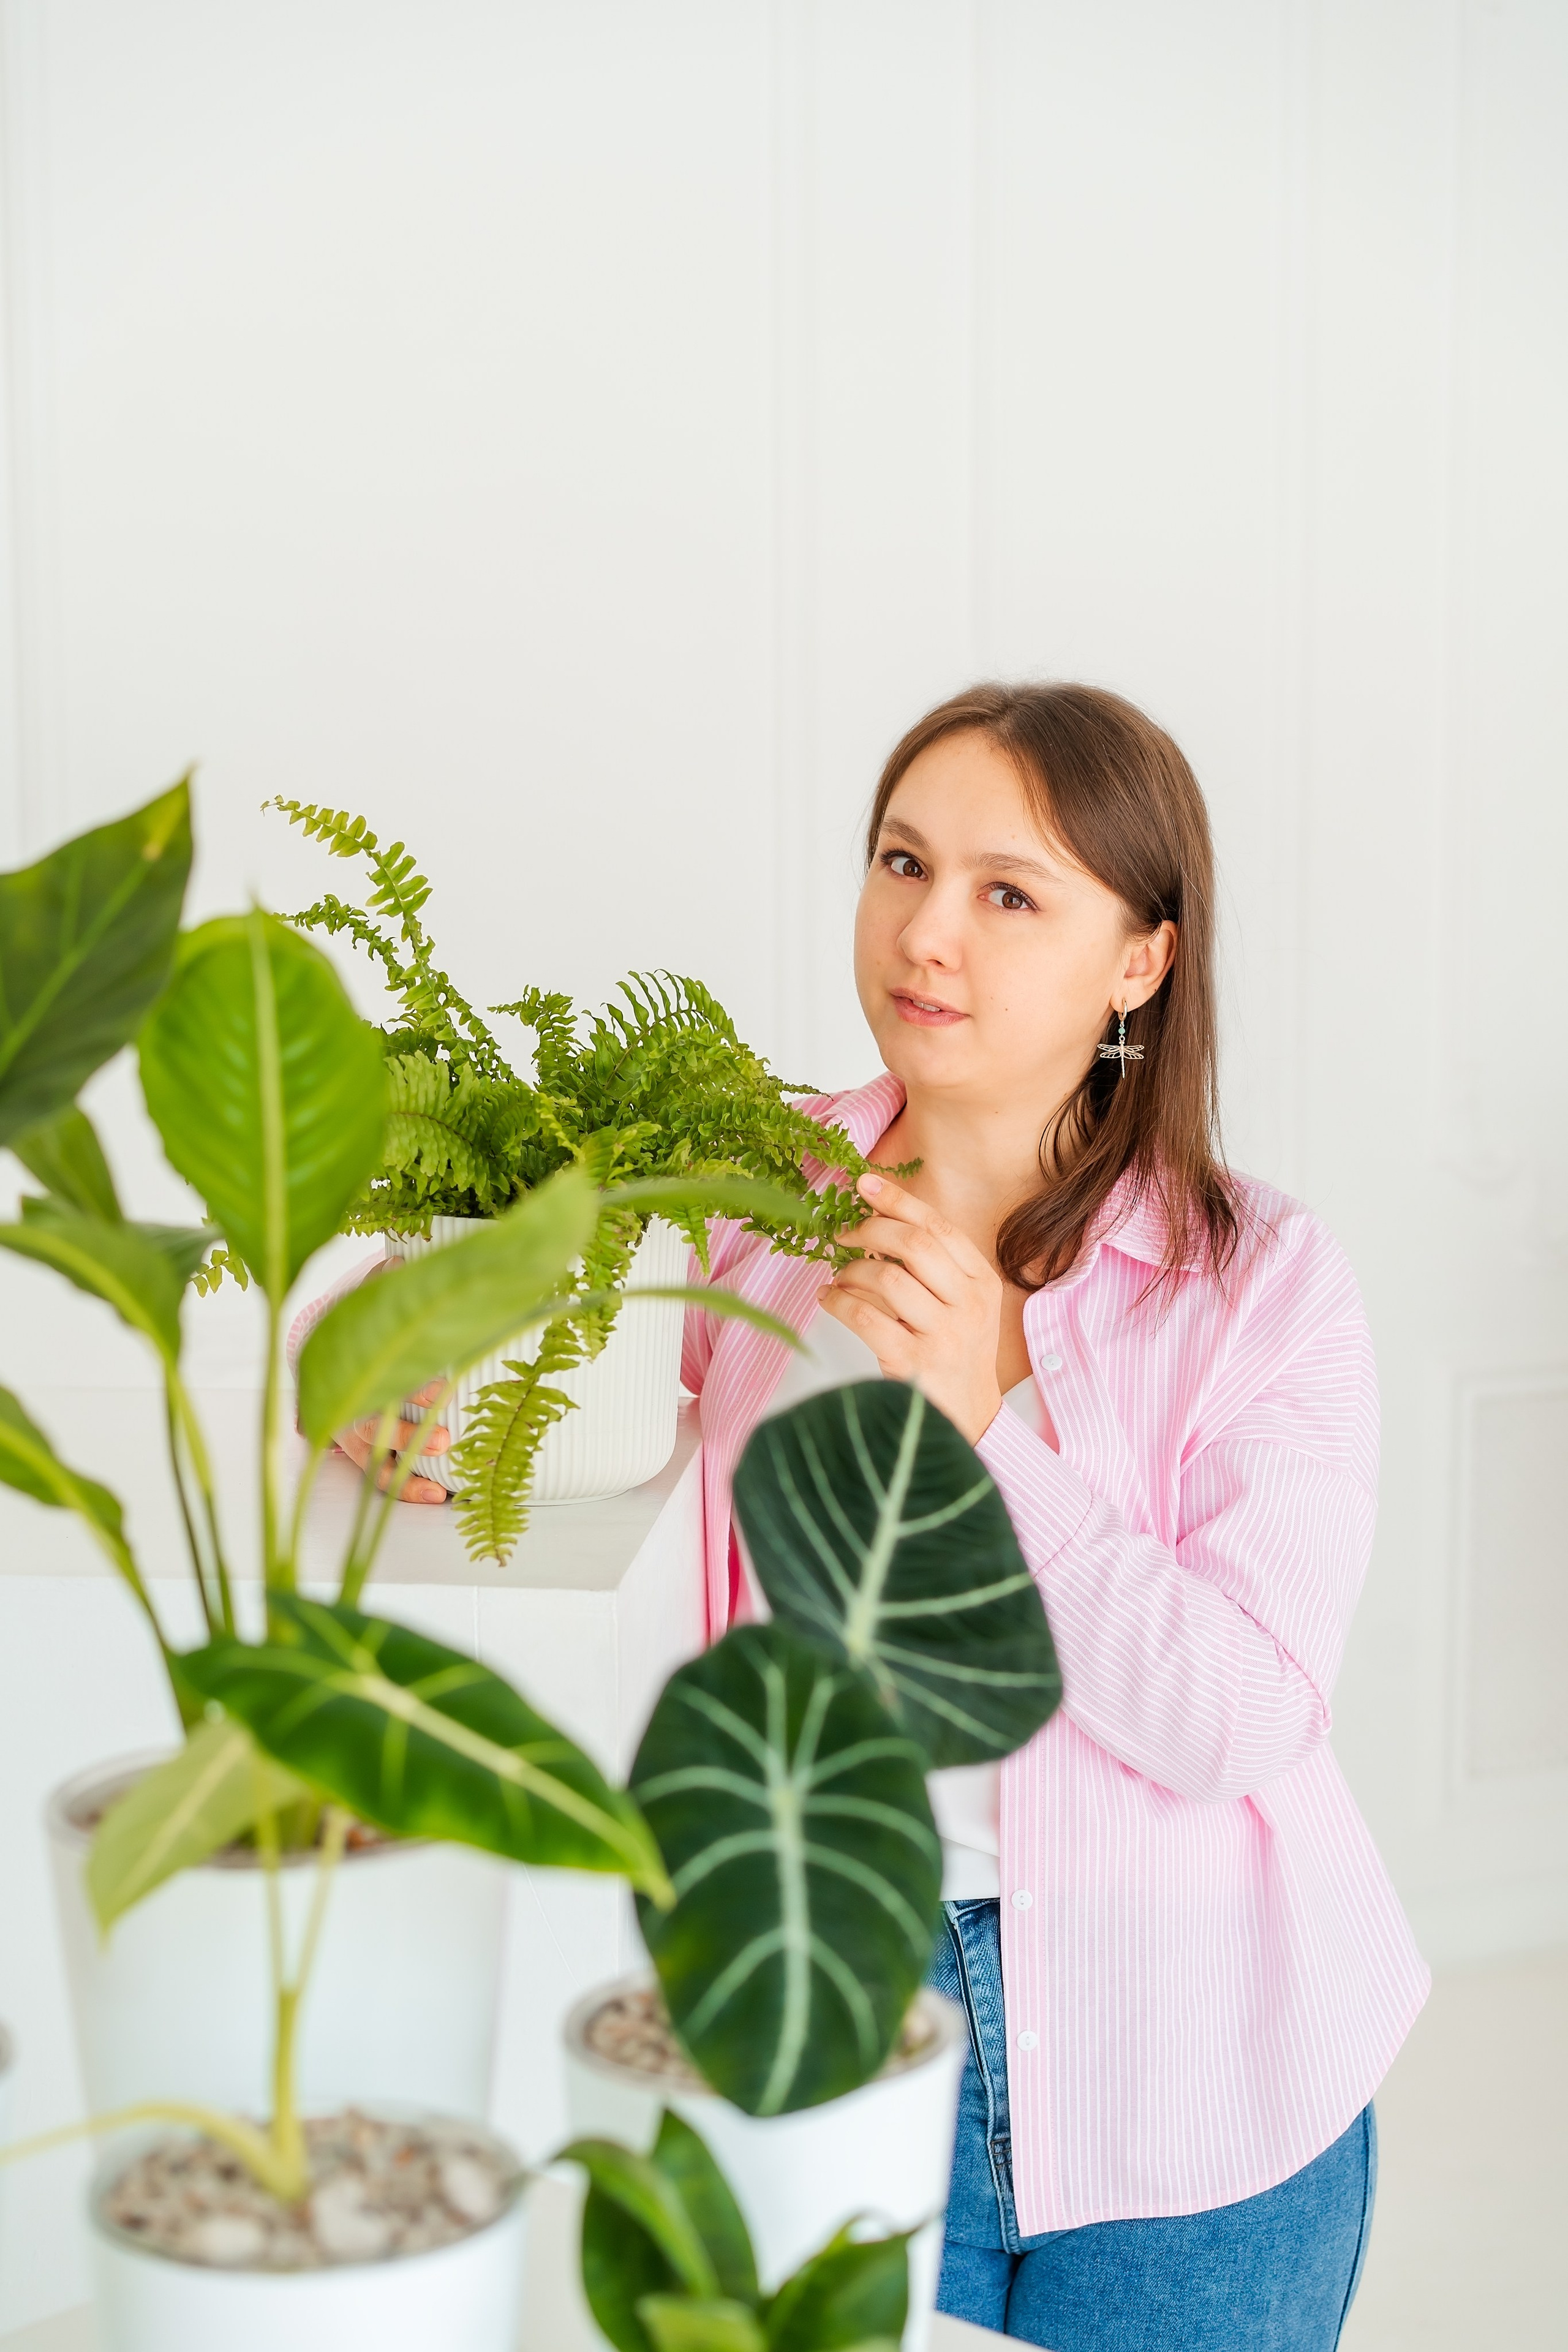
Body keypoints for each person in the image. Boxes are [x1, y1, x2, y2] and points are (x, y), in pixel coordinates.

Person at [322, 682, 1428, 2351]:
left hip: (1202, 2067)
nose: (926, 933)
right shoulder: (748, 1194)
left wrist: (984, 1420)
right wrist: (388, 1372)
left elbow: (1239, 1716)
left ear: (1142, 959)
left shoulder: (1260, 1280)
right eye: (901, 863)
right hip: (822, 1982)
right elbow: (440, 1361)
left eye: (1008, 892)